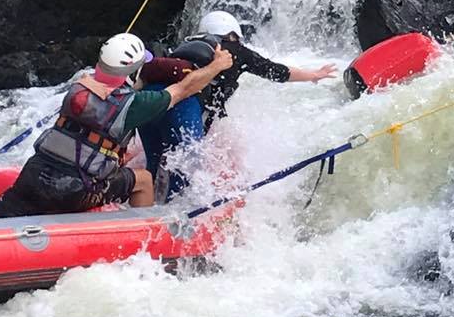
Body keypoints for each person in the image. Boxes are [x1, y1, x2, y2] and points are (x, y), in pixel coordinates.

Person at [0, 33, 233, 218]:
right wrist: (216, 66)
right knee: (143, 180)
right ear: (134, 71)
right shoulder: (134, 105)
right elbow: (183, 88)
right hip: (75, 191)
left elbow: (102, 112)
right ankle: (139, 235)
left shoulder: (77, 88)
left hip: (33, 175)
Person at [137, 11, 336, 197]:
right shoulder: (235, 51)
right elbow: (276, 71)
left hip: (150, 99)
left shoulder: (184, 48)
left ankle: (142, 206)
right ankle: (173, 218)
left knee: (154, 162)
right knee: (188, 167)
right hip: (183, 105)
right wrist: (313, 75)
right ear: (234, 34)